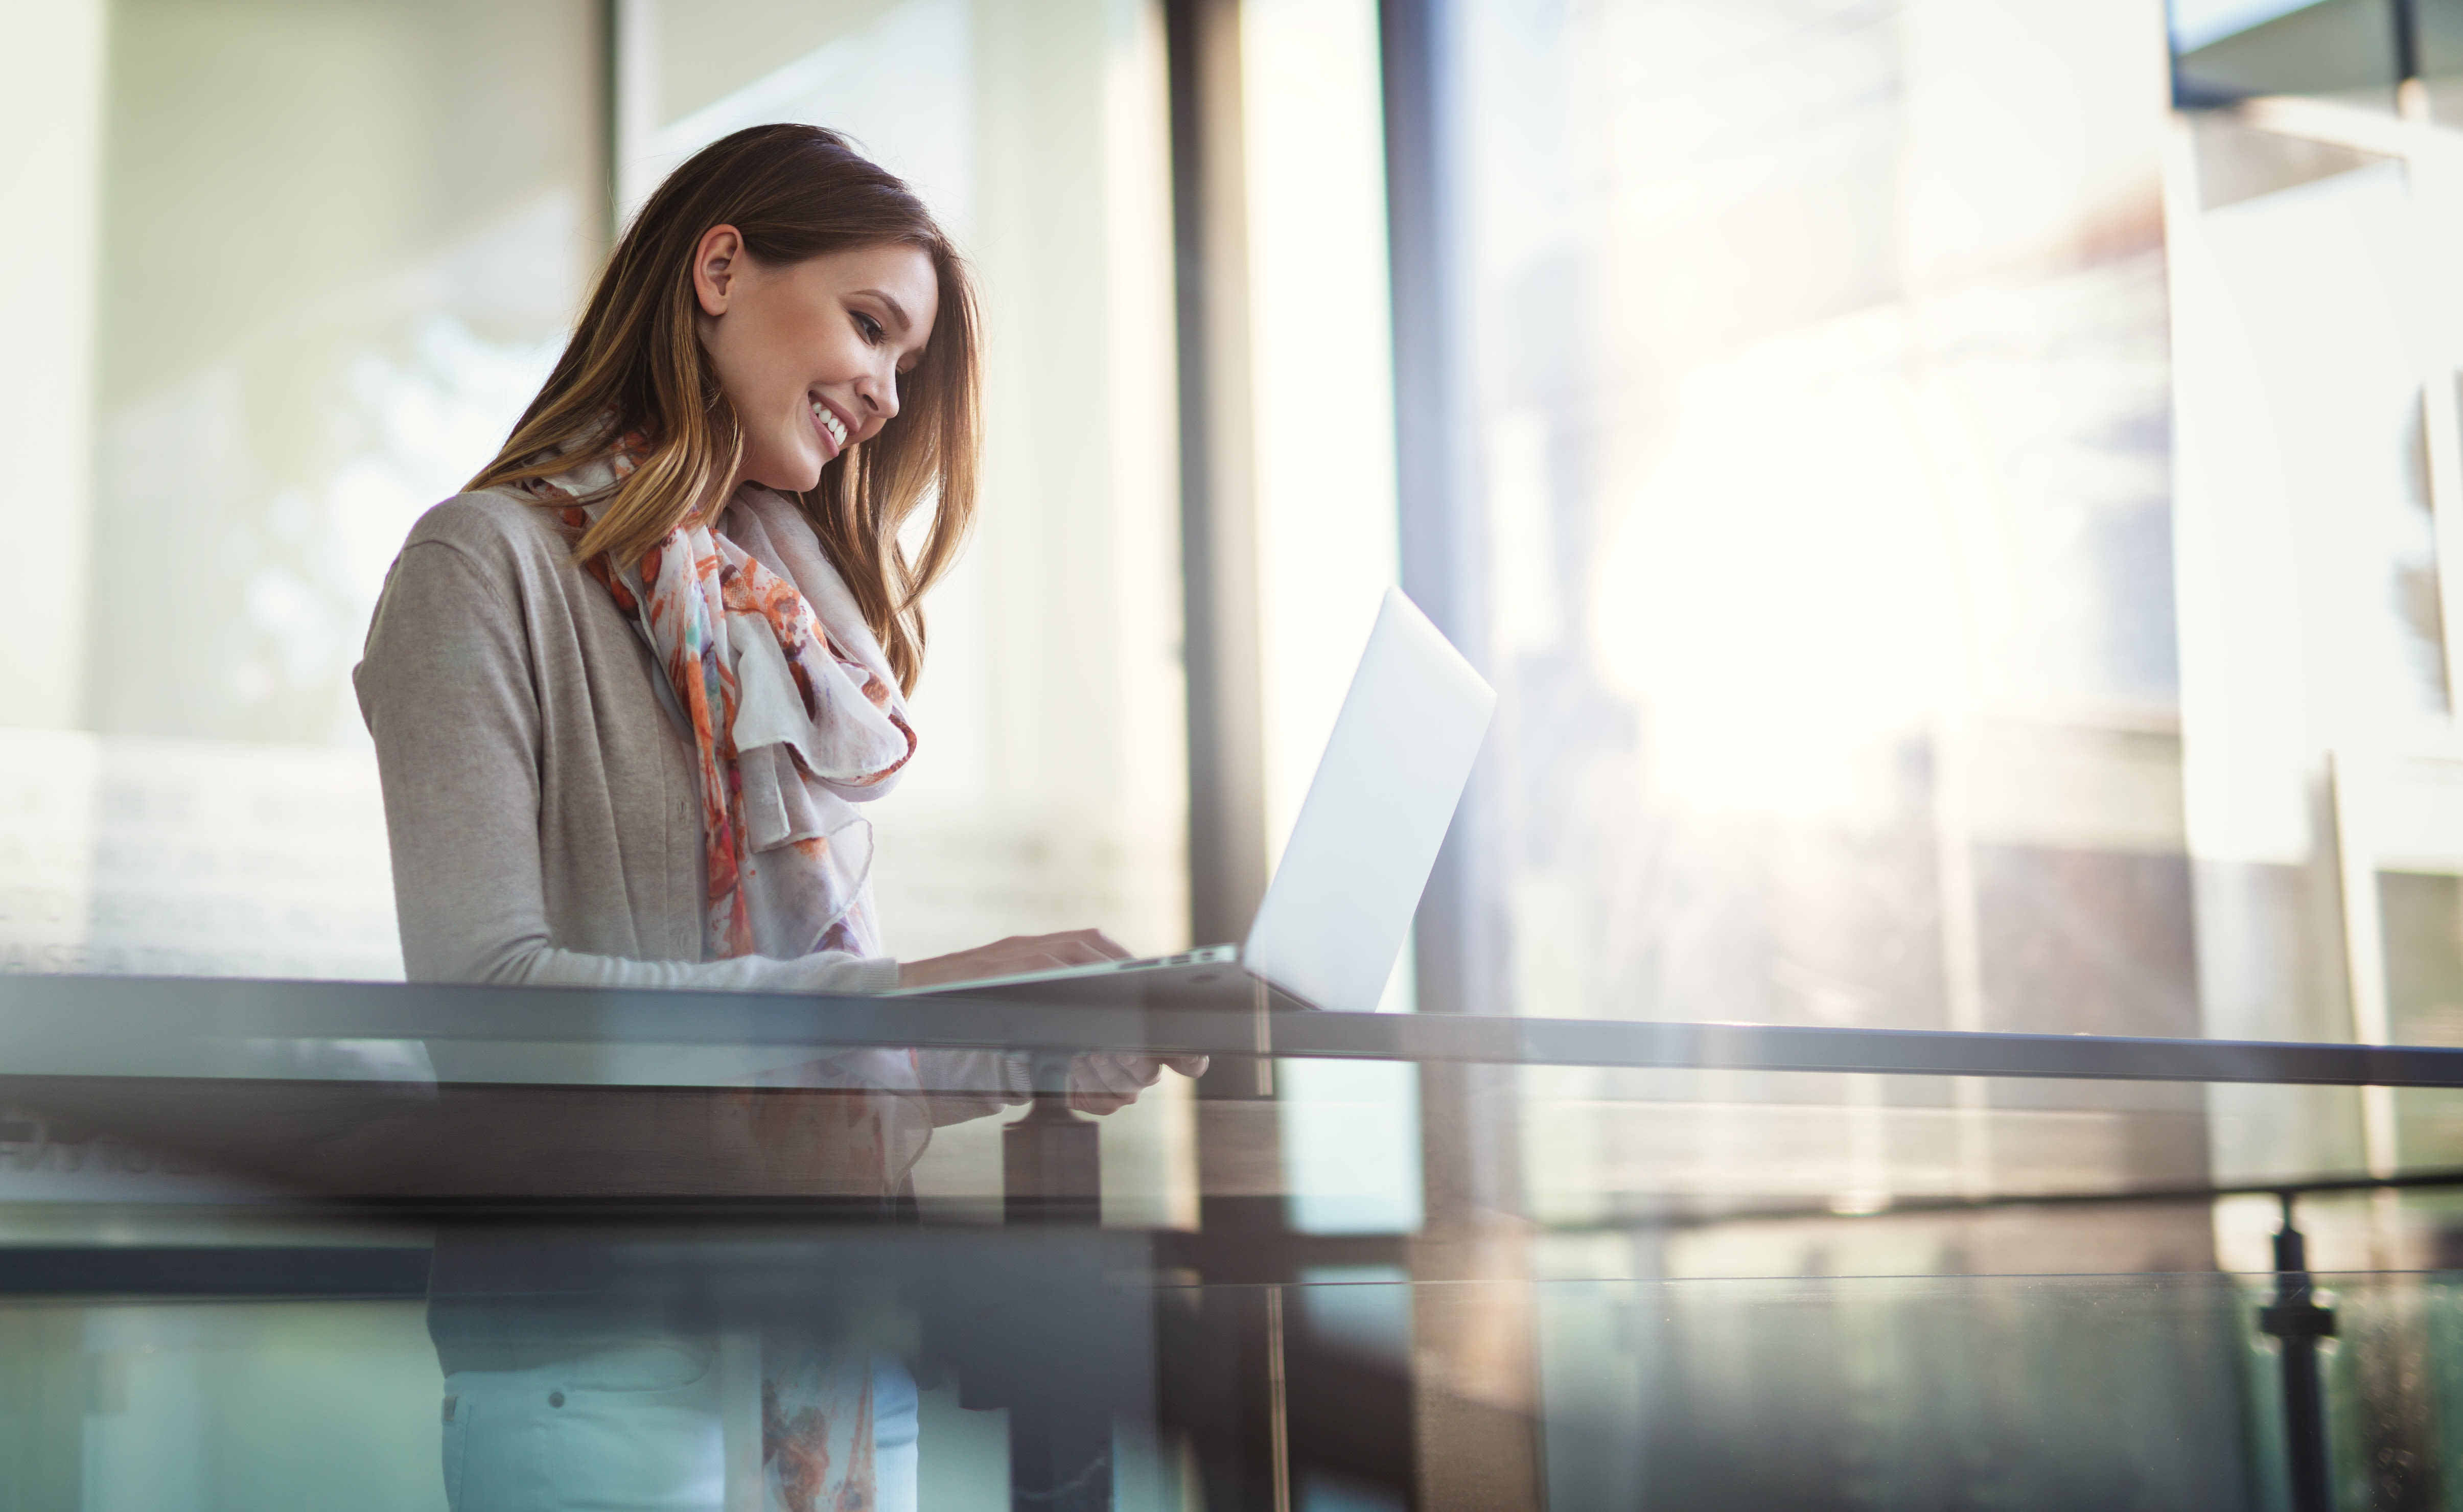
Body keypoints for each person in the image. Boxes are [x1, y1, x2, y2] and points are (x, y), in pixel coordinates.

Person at [355, 123, 1203, 1512]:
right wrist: (902, 1002)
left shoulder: (780, 631)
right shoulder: (481, 564)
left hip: (833, 1360)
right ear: (721, 265)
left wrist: (1018, 1038)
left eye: (905, 366)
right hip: (604, 1380)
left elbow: (806, 1078)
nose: (881, 393)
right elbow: (486, 1004)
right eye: (871, 328)